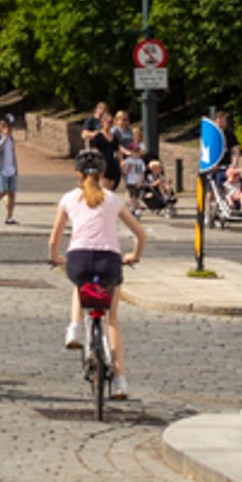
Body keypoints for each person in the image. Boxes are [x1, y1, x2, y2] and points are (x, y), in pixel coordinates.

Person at [48, 150, 151, 397]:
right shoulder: (113, 199)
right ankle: (120, 382)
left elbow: (54, 239)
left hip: (79, 258)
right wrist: (134, 255)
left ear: (78, 174)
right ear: (103, 174)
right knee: (112, 320)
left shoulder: (69, 198)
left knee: (78, 284)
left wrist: (56, 258)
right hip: (109, 261)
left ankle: (74, 328)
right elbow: (140, 234)